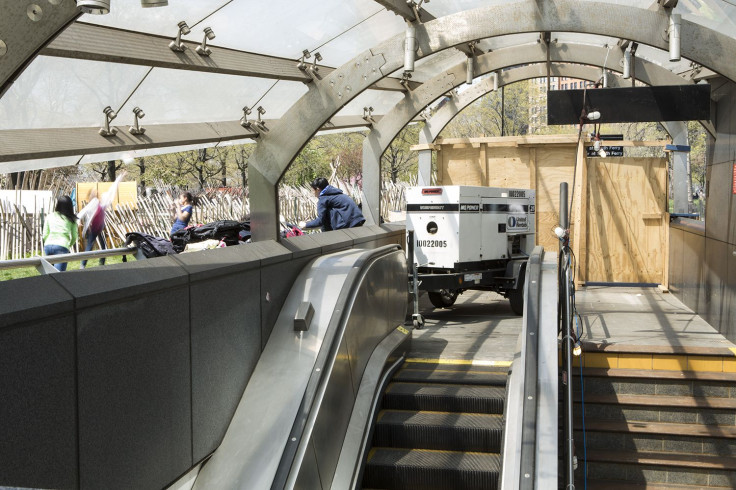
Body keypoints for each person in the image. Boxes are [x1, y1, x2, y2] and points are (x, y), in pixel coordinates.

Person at [77, 172, 125, 269]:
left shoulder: (102, 204)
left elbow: (112, 190)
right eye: (95, 193)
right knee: (90, 246)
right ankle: (83, 264)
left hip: (99, 228)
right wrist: (78, 220)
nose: (97, 194)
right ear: (92, 195)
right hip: (94, 229)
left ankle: (101, 263)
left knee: (103, 247)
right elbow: (83, 211)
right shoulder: (94, 203)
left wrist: (119, 178)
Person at [299, 177, 365, 231]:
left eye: (312, 190)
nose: (312, 192)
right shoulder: (336, 193)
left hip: (348, 225)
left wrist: (305, 224)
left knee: (325, 217)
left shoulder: (324, 199)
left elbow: (320, 221)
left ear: (318, 189)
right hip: (358, 221)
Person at [43, 195, 78, 272]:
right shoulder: (71, 218)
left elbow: (45, 234)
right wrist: (68, 245)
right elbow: (75, 237)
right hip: (62, 246)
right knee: (58, 275)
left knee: (49, 274)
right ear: (70, 206)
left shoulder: (50, 216)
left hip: (48, 246)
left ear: (58, 204)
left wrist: (49, 242)